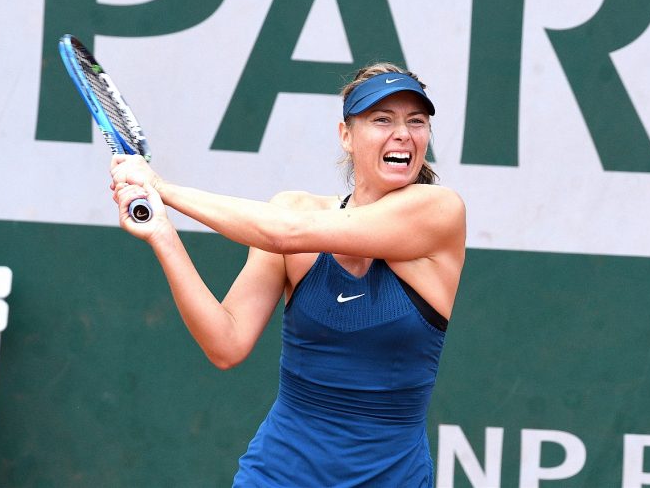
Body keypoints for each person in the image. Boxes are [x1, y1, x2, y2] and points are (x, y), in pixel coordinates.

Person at [110, 62, 466, 487]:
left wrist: (162, 188)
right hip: (277, 475)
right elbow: (226, 344)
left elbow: (285, 233)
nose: (403, 133)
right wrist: (164, 236)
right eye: (382, 119)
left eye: (416, 121)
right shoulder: (293, 208)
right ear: (346, 136)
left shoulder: (440, 212)